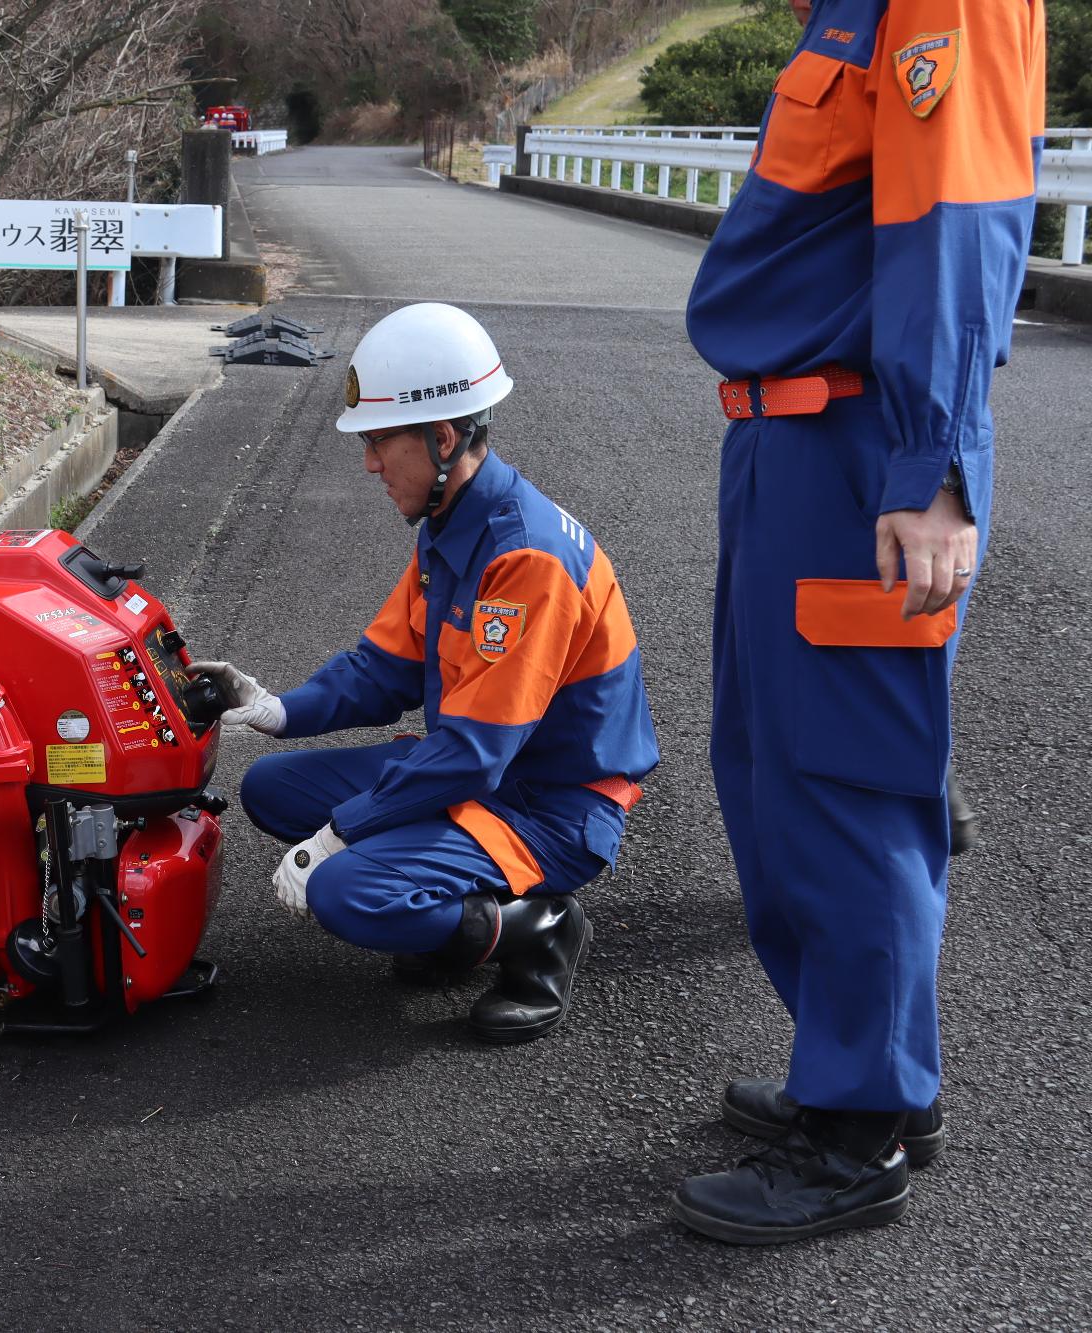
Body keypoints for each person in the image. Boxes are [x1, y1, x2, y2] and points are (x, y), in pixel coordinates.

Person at [676, 0, 1045, 1242]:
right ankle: (851, 1066)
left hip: (860, 452)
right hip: (784, 442)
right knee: (771, 775)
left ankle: (861, 1126)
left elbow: (958, 229)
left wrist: (929, 468)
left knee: (848, 786)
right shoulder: (852, 9)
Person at [192, 303, 659, 1044]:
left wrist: (341, 834)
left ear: (443, 437)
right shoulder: (451, 524)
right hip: (484, 774)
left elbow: (477, 749)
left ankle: (538, 929)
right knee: (271, 787)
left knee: (345, 889)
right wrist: (279, 707)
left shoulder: (526, 558)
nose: (370, 463)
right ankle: (449, 921)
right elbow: (384, 668)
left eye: (379, 442)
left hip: (550, 807)